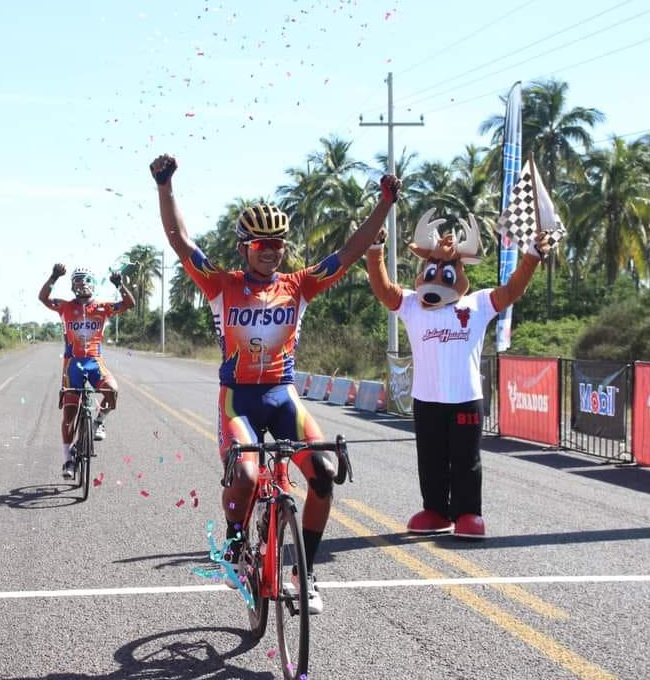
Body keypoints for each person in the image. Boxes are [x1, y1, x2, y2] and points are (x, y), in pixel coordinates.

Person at [152, 153, 399, 614]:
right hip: (238, 400)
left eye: (278, 243)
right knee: (246, 475)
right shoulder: (220, 285)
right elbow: (181, 242)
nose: (271, 250)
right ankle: (234, 543)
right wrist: (165, 187)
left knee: (323, 474)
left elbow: (348, 252)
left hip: (282, 395)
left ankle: (304, 573)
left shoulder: (299, 285)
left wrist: (384, 205)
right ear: (244, 247)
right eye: (262, 243)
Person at [366, 211, 553, 539]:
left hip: (465, 400)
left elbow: (512, 290)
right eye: (432, 270)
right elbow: (383, 288)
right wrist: (374, 251)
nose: (437, 278)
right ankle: (436, 511)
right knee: (430, 460)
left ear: (460, 273)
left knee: (466, 460)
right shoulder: (411, 304)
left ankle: (468, 513)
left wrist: (532, 255)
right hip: (426, 400)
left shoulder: (478, 304)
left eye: (446, 272)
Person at [39, 264, 135, 479]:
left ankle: (98, 422)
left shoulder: (102, 307)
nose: (82, 283)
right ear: (72, 285)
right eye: (78, 280)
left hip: (94, 363)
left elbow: (129, 303)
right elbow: (43, 298)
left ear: (93, 284)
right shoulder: (65, 306)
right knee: (69, 415)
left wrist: (119, 284)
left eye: (86, 279)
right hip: (72, 365)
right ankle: (67, 459)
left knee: (112, 391)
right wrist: (53, 277)